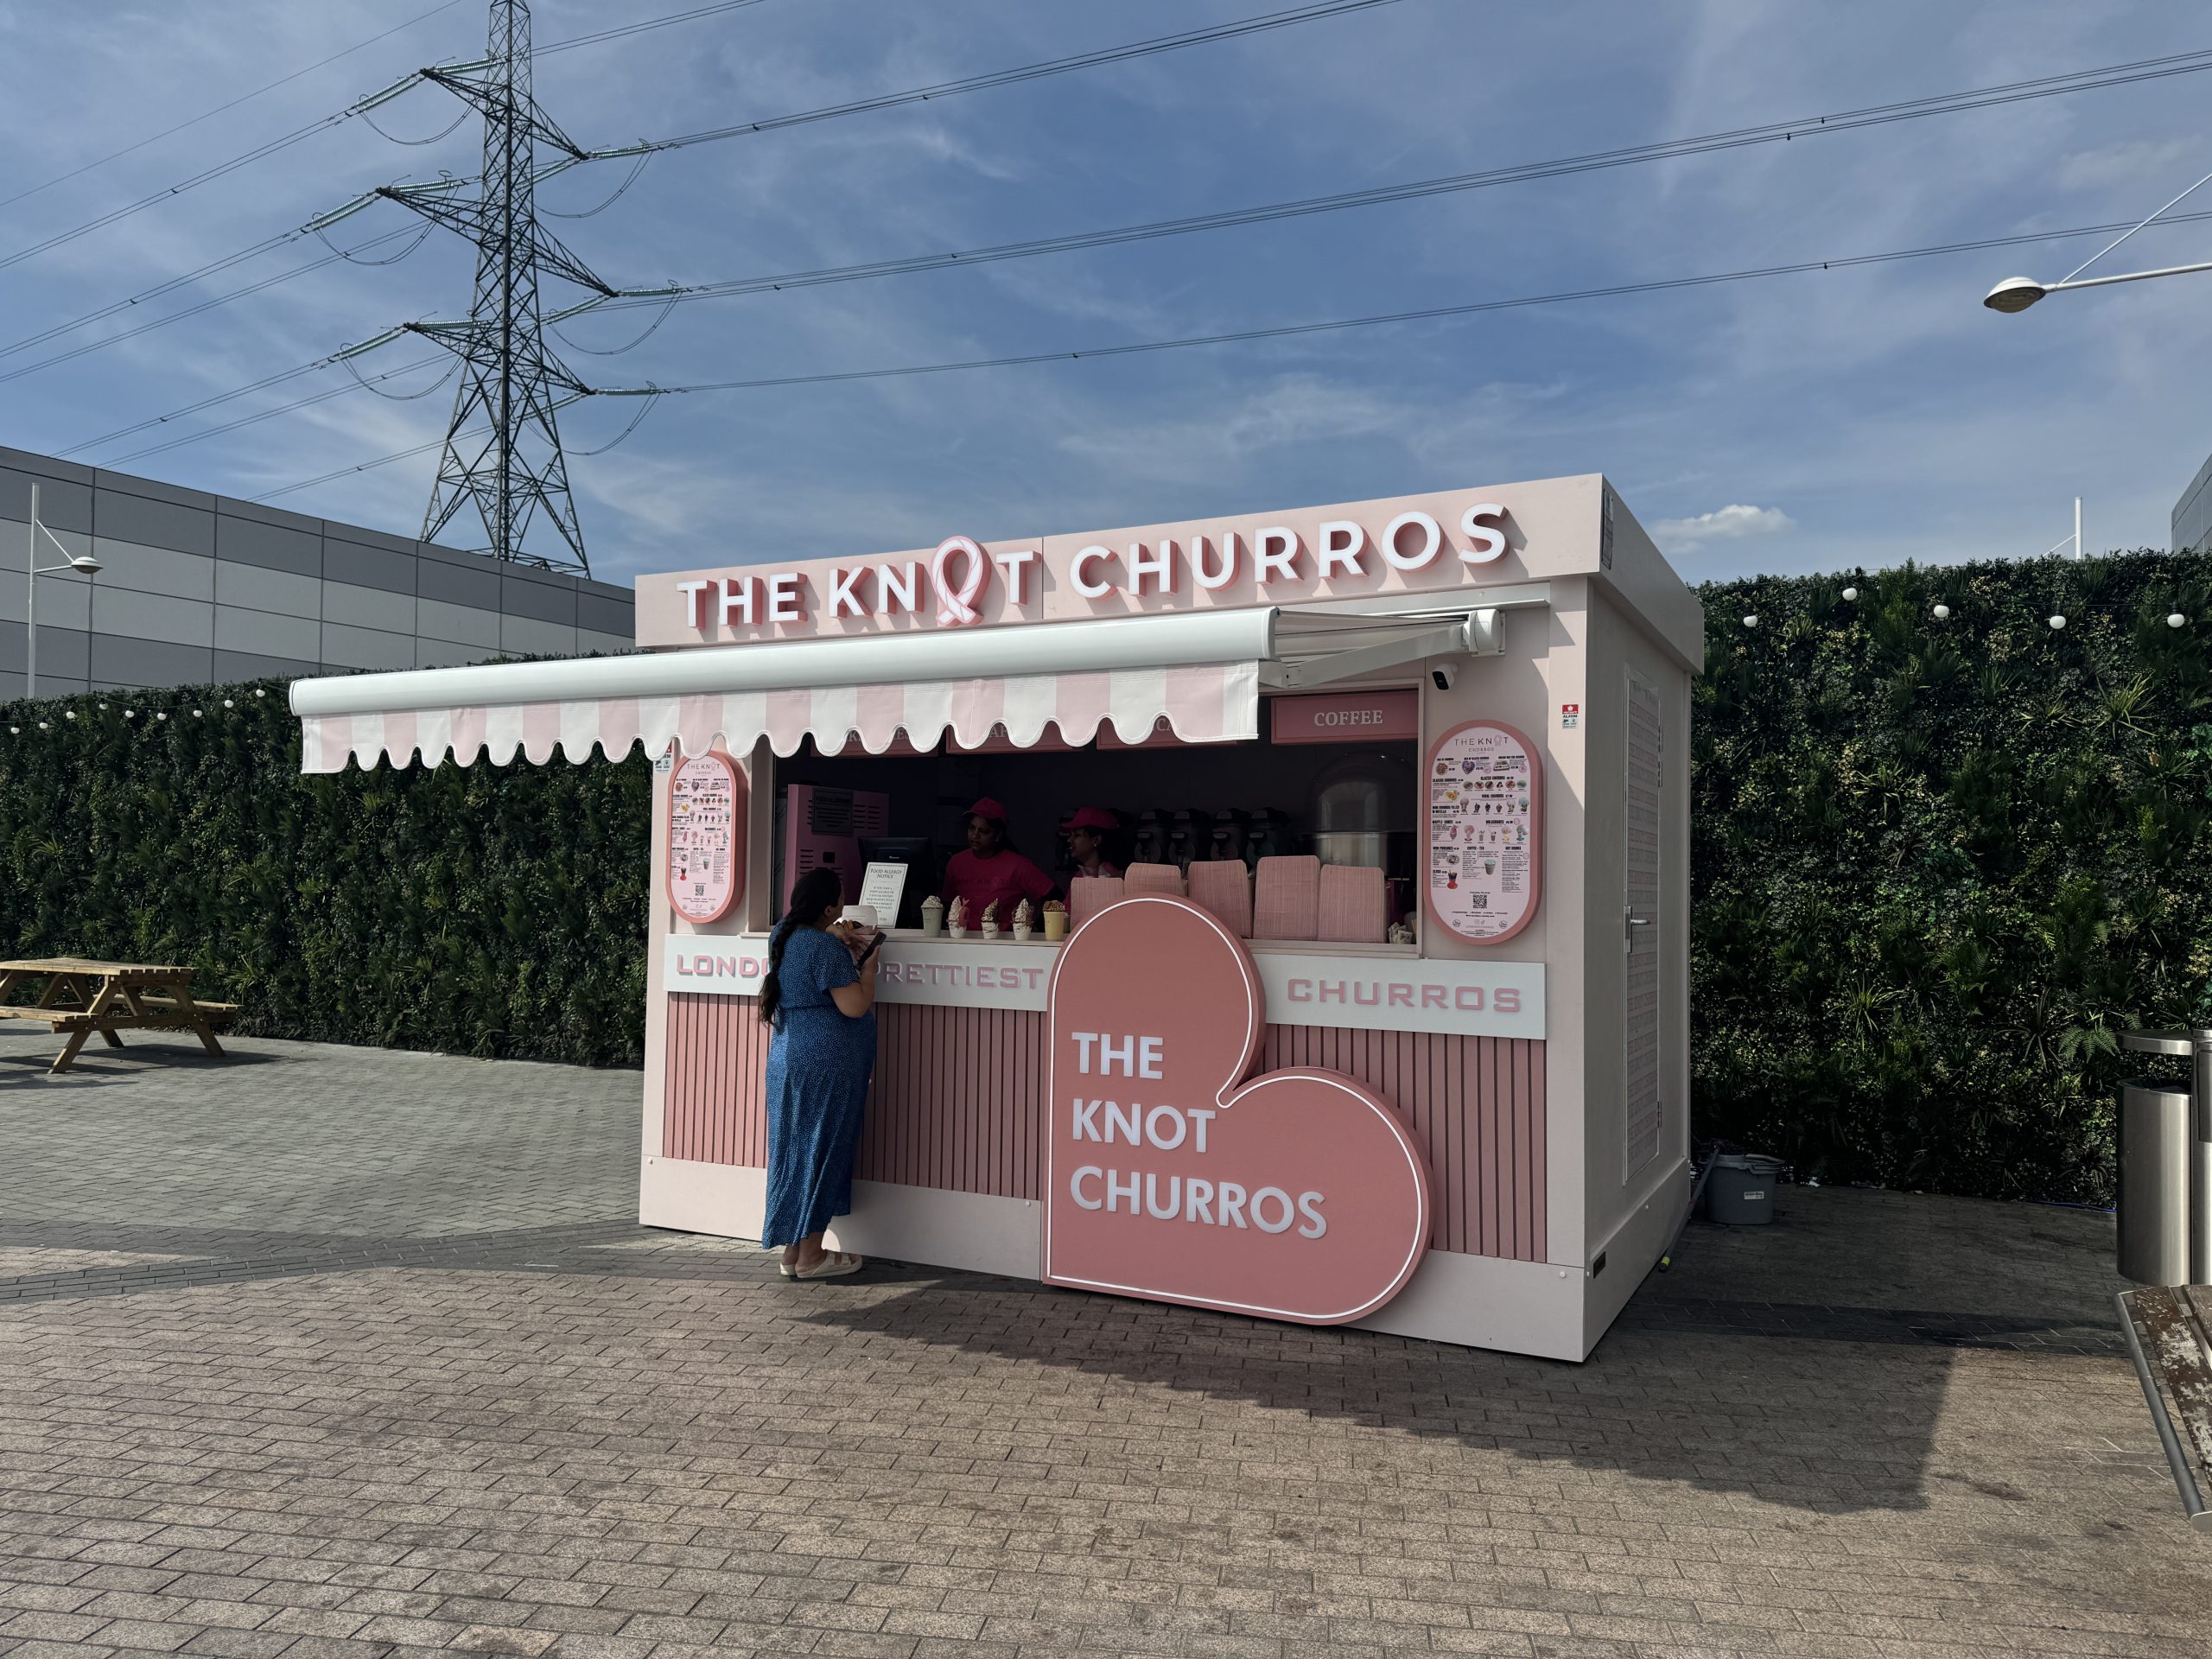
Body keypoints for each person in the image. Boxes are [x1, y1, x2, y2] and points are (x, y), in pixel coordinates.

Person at [758, 866, 879, 1279]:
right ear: (828, 908)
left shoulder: (782, 935)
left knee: (796, 1152)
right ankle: (812, 1255)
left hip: (788, 1058)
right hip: (826, 1064)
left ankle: (792, 1252)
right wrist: (869, 967)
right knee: (824, 1150)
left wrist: (834, 935)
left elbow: (806, 955)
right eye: (841, 902)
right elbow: (854, 1006)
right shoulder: (824, 950)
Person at [939, 796, 1055, 924]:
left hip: (1002, 941)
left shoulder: (1017, 865)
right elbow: (945, 905)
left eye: (984, 831)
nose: (975, 835)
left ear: (998, 835)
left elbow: (1054, 897)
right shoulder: (956, 863)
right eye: (971, 828)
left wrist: (1036, 929)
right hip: (961, 939)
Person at [1065, 806, 1122, 879]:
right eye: (1071, 835)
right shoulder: (1081, 873)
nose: (1069, 840)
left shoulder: (1108, 876)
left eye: (1077, 835)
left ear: (1096, 840)